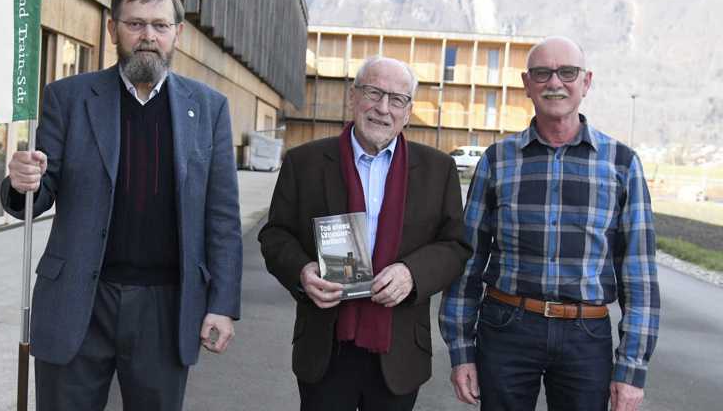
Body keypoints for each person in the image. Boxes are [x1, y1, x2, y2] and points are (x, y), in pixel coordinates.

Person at [0, 0, 242, 411]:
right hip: (79, 300)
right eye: (135, 24)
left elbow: (221, 216)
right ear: (113, 29)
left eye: (160, 25)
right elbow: (42, 189)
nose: (148, 36)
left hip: (165, 308)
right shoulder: (68, 98)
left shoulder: (208, 108)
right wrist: (23, 184)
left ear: (177, 34)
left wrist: (222, 303)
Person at [439, 36, 660, 411]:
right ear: (527, 84)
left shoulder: (622, 164)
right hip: (506, 329)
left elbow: (637, 275)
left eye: (567, 73)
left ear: (586, 82)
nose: (554, 83)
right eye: (542, 73)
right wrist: (461, 350)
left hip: (585, 336)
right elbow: (468, 261)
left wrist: (631, 368)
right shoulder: (497, 161)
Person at [259, 56, 471, 411]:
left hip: (398, 348)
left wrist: (412, 274)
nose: (383, 108)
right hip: (326, 344)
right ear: (353, 97)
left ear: (408, 111)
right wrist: (302, 271)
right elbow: (275, 235)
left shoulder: (438, 169)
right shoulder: (305, 162)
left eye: (397, 99)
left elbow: (455, 246)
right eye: (373, 93)